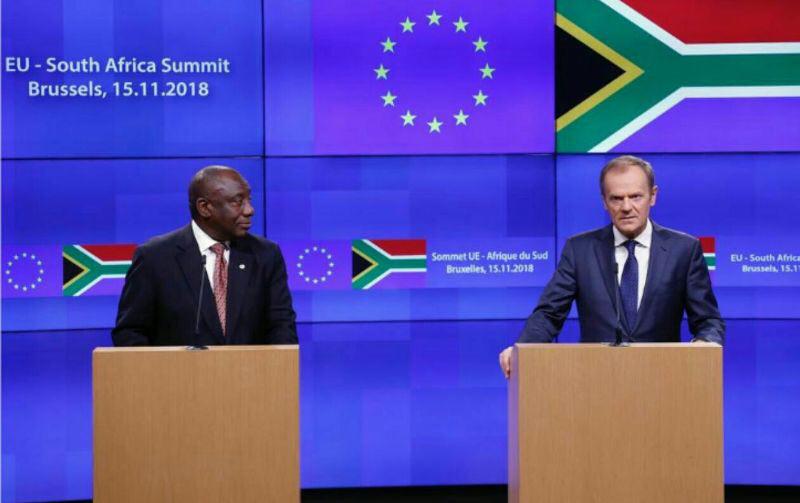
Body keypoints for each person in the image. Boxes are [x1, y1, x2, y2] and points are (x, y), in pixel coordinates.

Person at [499, 155, 724, 377]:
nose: (626, 207)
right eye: (616, 198)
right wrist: (522, 350)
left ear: (653, 196)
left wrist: (706, 343)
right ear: (604, 201)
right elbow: (549, 313)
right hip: (597, 380)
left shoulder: (684, 249)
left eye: (635, 197)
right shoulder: (579, 250)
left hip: (663, 379)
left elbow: (707, 319)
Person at [112, 165, 297, 346]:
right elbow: (130, 333)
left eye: (249, 200)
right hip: (178, 368)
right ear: (205, 207)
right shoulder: (155, 257)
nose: (249, 210)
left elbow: (282, 328)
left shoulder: (265, 255)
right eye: (237, 201)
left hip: (251, 367)